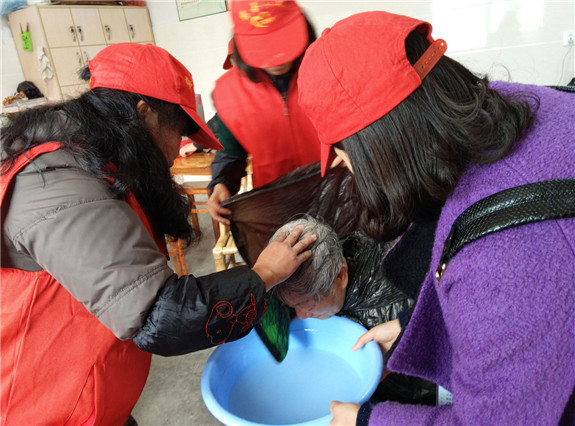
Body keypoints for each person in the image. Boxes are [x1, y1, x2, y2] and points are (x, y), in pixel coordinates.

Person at [0, 43, 316, 425]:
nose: (174, 152)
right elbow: (160, 317)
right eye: (178, 132)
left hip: (95, 398)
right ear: (143, 113)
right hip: (44, 410)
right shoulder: (59, 182)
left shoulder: (94, 156)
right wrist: (266, 273)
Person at [297, 11, 575, 425]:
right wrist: (417, 327)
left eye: (344, 154)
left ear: (378, 148)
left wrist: (366, 421)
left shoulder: (499, 264)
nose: (346, 167)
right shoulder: (518, 103)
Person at [270, 216, 439, 406]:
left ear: (341, 275)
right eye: (292, 305)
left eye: (308, 305)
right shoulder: (322, 263)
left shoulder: (401, 281)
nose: (300, 316)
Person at [207, 0, 321, 225]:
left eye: (283, 42)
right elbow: (231, 153)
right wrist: (221, 183)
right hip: (276, 205)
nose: (277, 59)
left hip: (338, 192)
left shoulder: (325, 69)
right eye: (265, 48)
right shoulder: (230, 92)